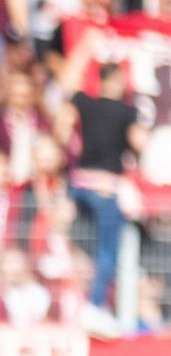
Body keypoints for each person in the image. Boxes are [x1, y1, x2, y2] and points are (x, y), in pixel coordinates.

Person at [53, 53, 147, 323]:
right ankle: (94, 306)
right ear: (115, 81)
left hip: (78, 183)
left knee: (69, 236)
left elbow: (65, 98)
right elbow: (139, 143)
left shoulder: (85, 103)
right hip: (106, 187)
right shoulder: (127, 111)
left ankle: (70, 293)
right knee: (107, 251)